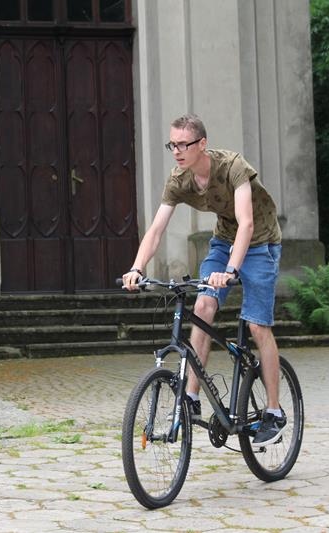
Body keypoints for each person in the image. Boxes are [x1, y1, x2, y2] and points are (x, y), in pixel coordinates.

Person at [122, 114, 285, 446]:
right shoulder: (179, 179)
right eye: (172, 145)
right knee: (203, 306)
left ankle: (274, 411)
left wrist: (232, 271)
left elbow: (246, 223)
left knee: (257, 326)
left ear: (202, 144)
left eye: (183, 145)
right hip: (224, 242)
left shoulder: (232, 167)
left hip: (261, 242)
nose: (177, 151)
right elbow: (156, 230)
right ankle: (191, 397)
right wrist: (137, 268)